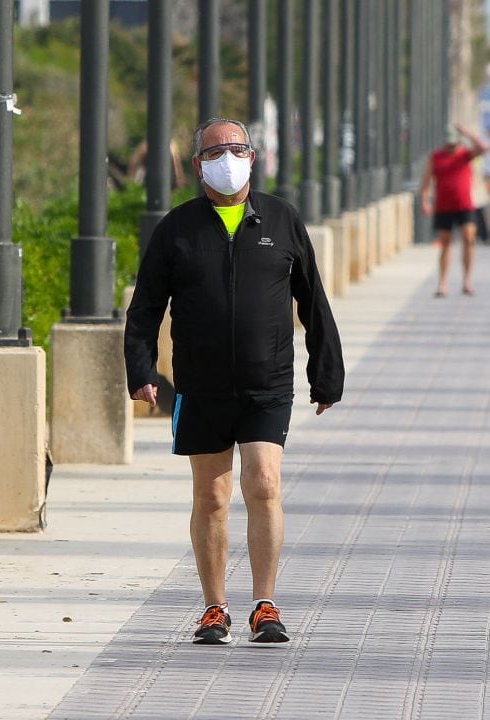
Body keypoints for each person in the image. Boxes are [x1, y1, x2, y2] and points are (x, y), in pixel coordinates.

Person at [124, 118, 344, 645]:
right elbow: (146, 307)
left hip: (268, 380)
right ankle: (214, 607)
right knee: (213, 496)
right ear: (198, 163)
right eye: (216, 150)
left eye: (237, 148)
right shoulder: (176, 229)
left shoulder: (282, 219)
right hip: (200, 385)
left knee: (264, 483)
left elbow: (313, 299)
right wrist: (141, 371)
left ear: (253, 156)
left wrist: (326, 373)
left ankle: (265, 604)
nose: (228, 157)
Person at [419, 123, 486, 297]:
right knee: (445, 244)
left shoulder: (465, 154)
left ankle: (467, 281)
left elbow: (483, 147)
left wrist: (467, 132)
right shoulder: (435, 157)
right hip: (444, 206)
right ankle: (442, 283)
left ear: (458, 141)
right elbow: (426, 181)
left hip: (465, 205)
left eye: (454, 143)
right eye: (448, 144)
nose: (451, 147)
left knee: (469, 238)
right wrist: (425, 200)